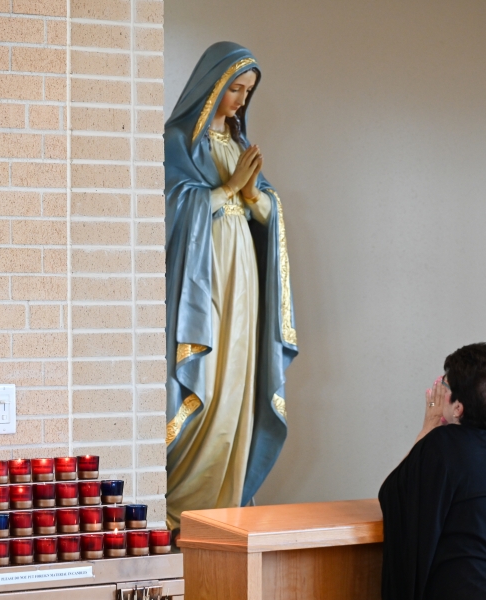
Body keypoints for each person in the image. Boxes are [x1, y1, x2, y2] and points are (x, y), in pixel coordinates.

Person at [163, 42, 298, 530]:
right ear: (212, 85)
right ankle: (183, 503)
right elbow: (170, 209)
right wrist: (223, 191)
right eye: (234, 89)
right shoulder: (178, 140)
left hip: (242, 274)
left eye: (248, 92)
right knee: (209, 375)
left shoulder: (240, 146)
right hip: (202, 278)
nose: (240, 100)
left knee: (237, 377)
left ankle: (224, 498)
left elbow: (266, 212)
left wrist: (253, 196)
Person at [379, 343, 486, 600]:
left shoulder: (443, 444)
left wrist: (429, 426)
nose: (439, 392)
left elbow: (394, 493)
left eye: (444, 387)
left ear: (458, 408)